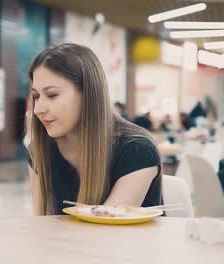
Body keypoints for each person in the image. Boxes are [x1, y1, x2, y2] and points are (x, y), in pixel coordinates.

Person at [26, 43, 162, 215]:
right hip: (66, 242)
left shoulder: (137, 150)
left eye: (52, 94)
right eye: (36, 96)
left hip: (124, 242)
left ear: (88, 94)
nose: (38, 109)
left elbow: (106, 231)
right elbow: (43, 224)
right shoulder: (39, 150)